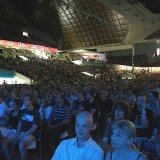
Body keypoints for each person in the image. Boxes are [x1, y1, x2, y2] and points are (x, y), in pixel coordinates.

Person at [1, 94, 41, 160]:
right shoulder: (23, 111)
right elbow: (19, 124)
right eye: (23, 99)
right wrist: (18, 133)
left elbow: (34, 128)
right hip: (21, 132)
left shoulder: (36, 113)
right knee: (3, 142)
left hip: (31, 134)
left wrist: (24, 135)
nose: (24, 101)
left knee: (22, 144)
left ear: (31, 101)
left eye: (26, 99)